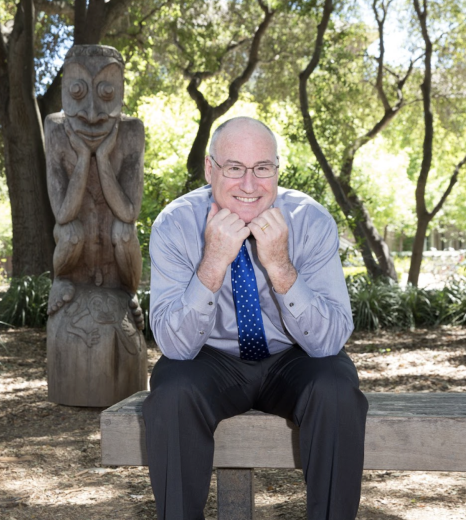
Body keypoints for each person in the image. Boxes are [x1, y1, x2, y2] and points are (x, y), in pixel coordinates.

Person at [143, 116, 369, 520]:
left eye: (262, 169)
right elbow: (175, 347)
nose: (250, 185)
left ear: (276, 170)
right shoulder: (175, 224)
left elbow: (330, 341)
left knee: (336, 386)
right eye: (235, 168)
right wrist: (212, 261)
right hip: (210, 358)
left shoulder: (311, 220)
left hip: (292, 356)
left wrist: (281, 266)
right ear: (211, 169)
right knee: (172, 387)